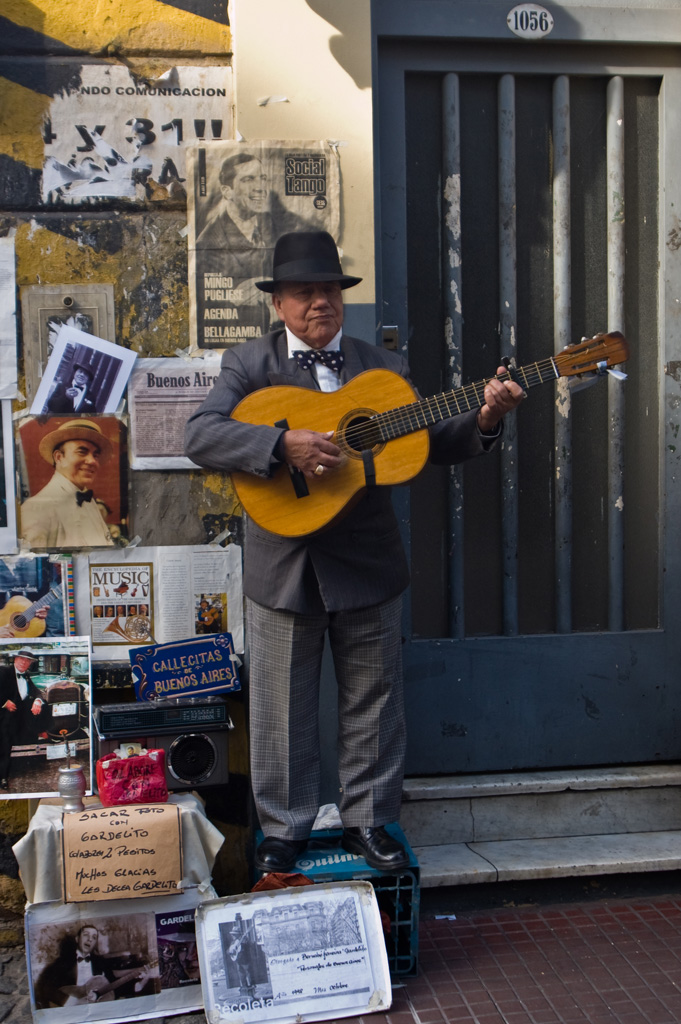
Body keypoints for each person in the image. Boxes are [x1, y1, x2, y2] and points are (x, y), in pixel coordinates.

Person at [185, 230, 525, 874]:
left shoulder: (382, 368)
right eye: (304, 292)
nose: (320, 302)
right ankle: (284, 830)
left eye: (330, 290)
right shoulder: (248, 364)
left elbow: (430, 438)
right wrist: (279, 446)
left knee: (374, 700)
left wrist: (485, 416)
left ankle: (369, 821)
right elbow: (201, 434)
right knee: (282, 708)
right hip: (284, 564)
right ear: (279, 303)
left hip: (368, 562)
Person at [20, 419, 115, 549]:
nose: (92, 461)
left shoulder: (90, 502)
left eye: (95, 455)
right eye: (82, 452)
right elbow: (35, 560)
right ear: (59, 457)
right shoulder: (35, 509)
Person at [34, 923, 154, 1008]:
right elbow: (45, 987)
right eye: (86, 935)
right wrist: (71, 1002)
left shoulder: (100, 962)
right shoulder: (64, 962)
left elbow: (112, 984)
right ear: (77, 939)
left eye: (94, 937)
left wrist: (139, 981)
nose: (90, 939)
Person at [0, 647, 49, 789]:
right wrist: (4, 703)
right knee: (4, 743)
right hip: (4, 716)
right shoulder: (4, 671)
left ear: (30, 664)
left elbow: (36, 691)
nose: (24, 662)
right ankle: (3, 777)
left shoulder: (26, 675)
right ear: (15, 659)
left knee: (43, 708)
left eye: (27, 661)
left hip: (19, 717)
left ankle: (43, 735)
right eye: (21, 659)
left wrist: (38, 701)